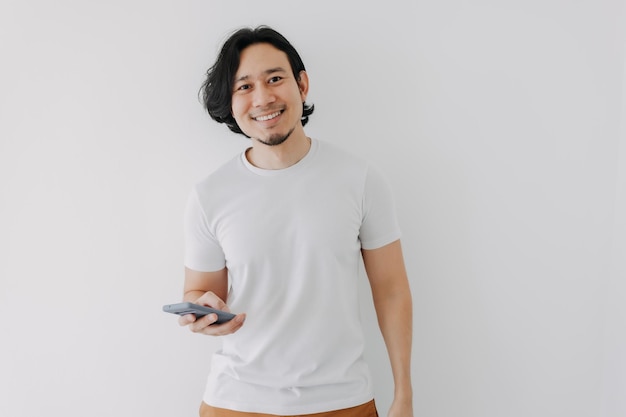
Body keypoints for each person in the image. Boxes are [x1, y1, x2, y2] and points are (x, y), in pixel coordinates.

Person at [178, 25, 413, 417]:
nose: (263, 97)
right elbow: (199, 292)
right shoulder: (209, 195)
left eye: (275, 79)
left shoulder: (360, 179)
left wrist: (403, 395)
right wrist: (199, 312)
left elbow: (391, 292)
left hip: (343, 402)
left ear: (301, 84)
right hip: (236, 402)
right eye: (244, 87)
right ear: (231, 103)